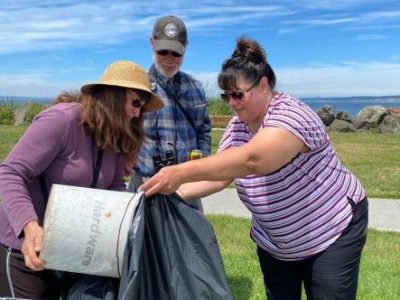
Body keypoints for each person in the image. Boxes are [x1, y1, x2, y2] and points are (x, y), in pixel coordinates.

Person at [140, 37, 368, 300]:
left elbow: (253, 159)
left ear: (263, 85)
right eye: (226, 96)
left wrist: (178, 172)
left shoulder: (292, 114)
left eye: (238, 94)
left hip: (330, 229)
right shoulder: (238, 126)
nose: (232, 103)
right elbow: (219, 178)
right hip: (275, 243)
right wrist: (166, 195)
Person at [0, 60, 163, 299]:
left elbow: (114, 185)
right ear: (112, 96)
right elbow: (10, 173)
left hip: (72, 250)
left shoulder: (115, 134)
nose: (137, 113)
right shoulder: (61, 121)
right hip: (23, 247)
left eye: (143, 107)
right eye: (136, 102)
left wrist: (128, 220)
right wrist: (29, 227)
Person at [127, 15, 212, 212]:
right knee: (142, 242)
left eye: (176, 53)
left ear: (186, 47)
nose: (169, 59)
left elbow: (204, 131)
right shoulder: (137, 87)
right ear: (152, 43)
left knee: (190, 242)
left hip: (187, 187)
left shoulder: (195, 87)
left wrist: (198, 168)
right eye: (163, 51)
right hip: (146, 184)